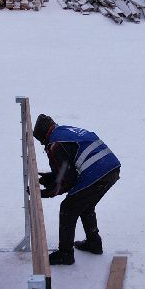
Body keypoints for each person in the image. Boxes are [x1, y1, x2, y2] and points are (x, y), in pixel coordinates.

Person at [33, 114, 120, 266]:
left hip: (97, 173)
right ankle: (94, 242)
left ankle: (65, 254)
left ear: (43, 137)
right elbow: (67, 170)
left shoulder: (55, 144)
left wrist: (46, 193)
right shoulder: (63, 131)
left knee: (68, 208)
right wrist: (52, 178)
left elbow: (67, 180)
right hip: (111, 168)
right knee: (84, 204)